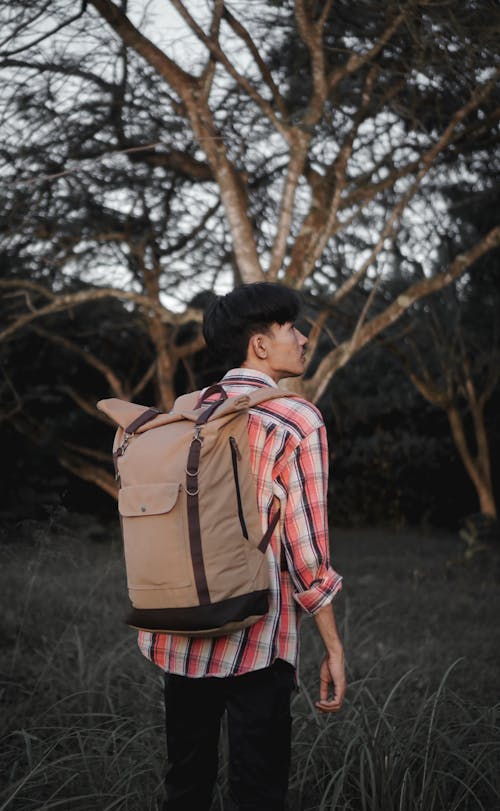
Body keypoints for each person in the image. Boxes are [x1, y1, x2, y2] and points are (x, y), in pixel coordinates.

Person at [138, 282, 346, 811]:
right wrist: (333, 646)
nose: (302, 339)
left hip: (179, 631)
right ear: (259, 345)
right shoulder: (297, 419)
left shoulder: (185, 413)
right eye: (291, 329)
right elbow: (305, 550)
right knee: (257, 792)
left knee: (185, 787)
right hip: (258, 637)